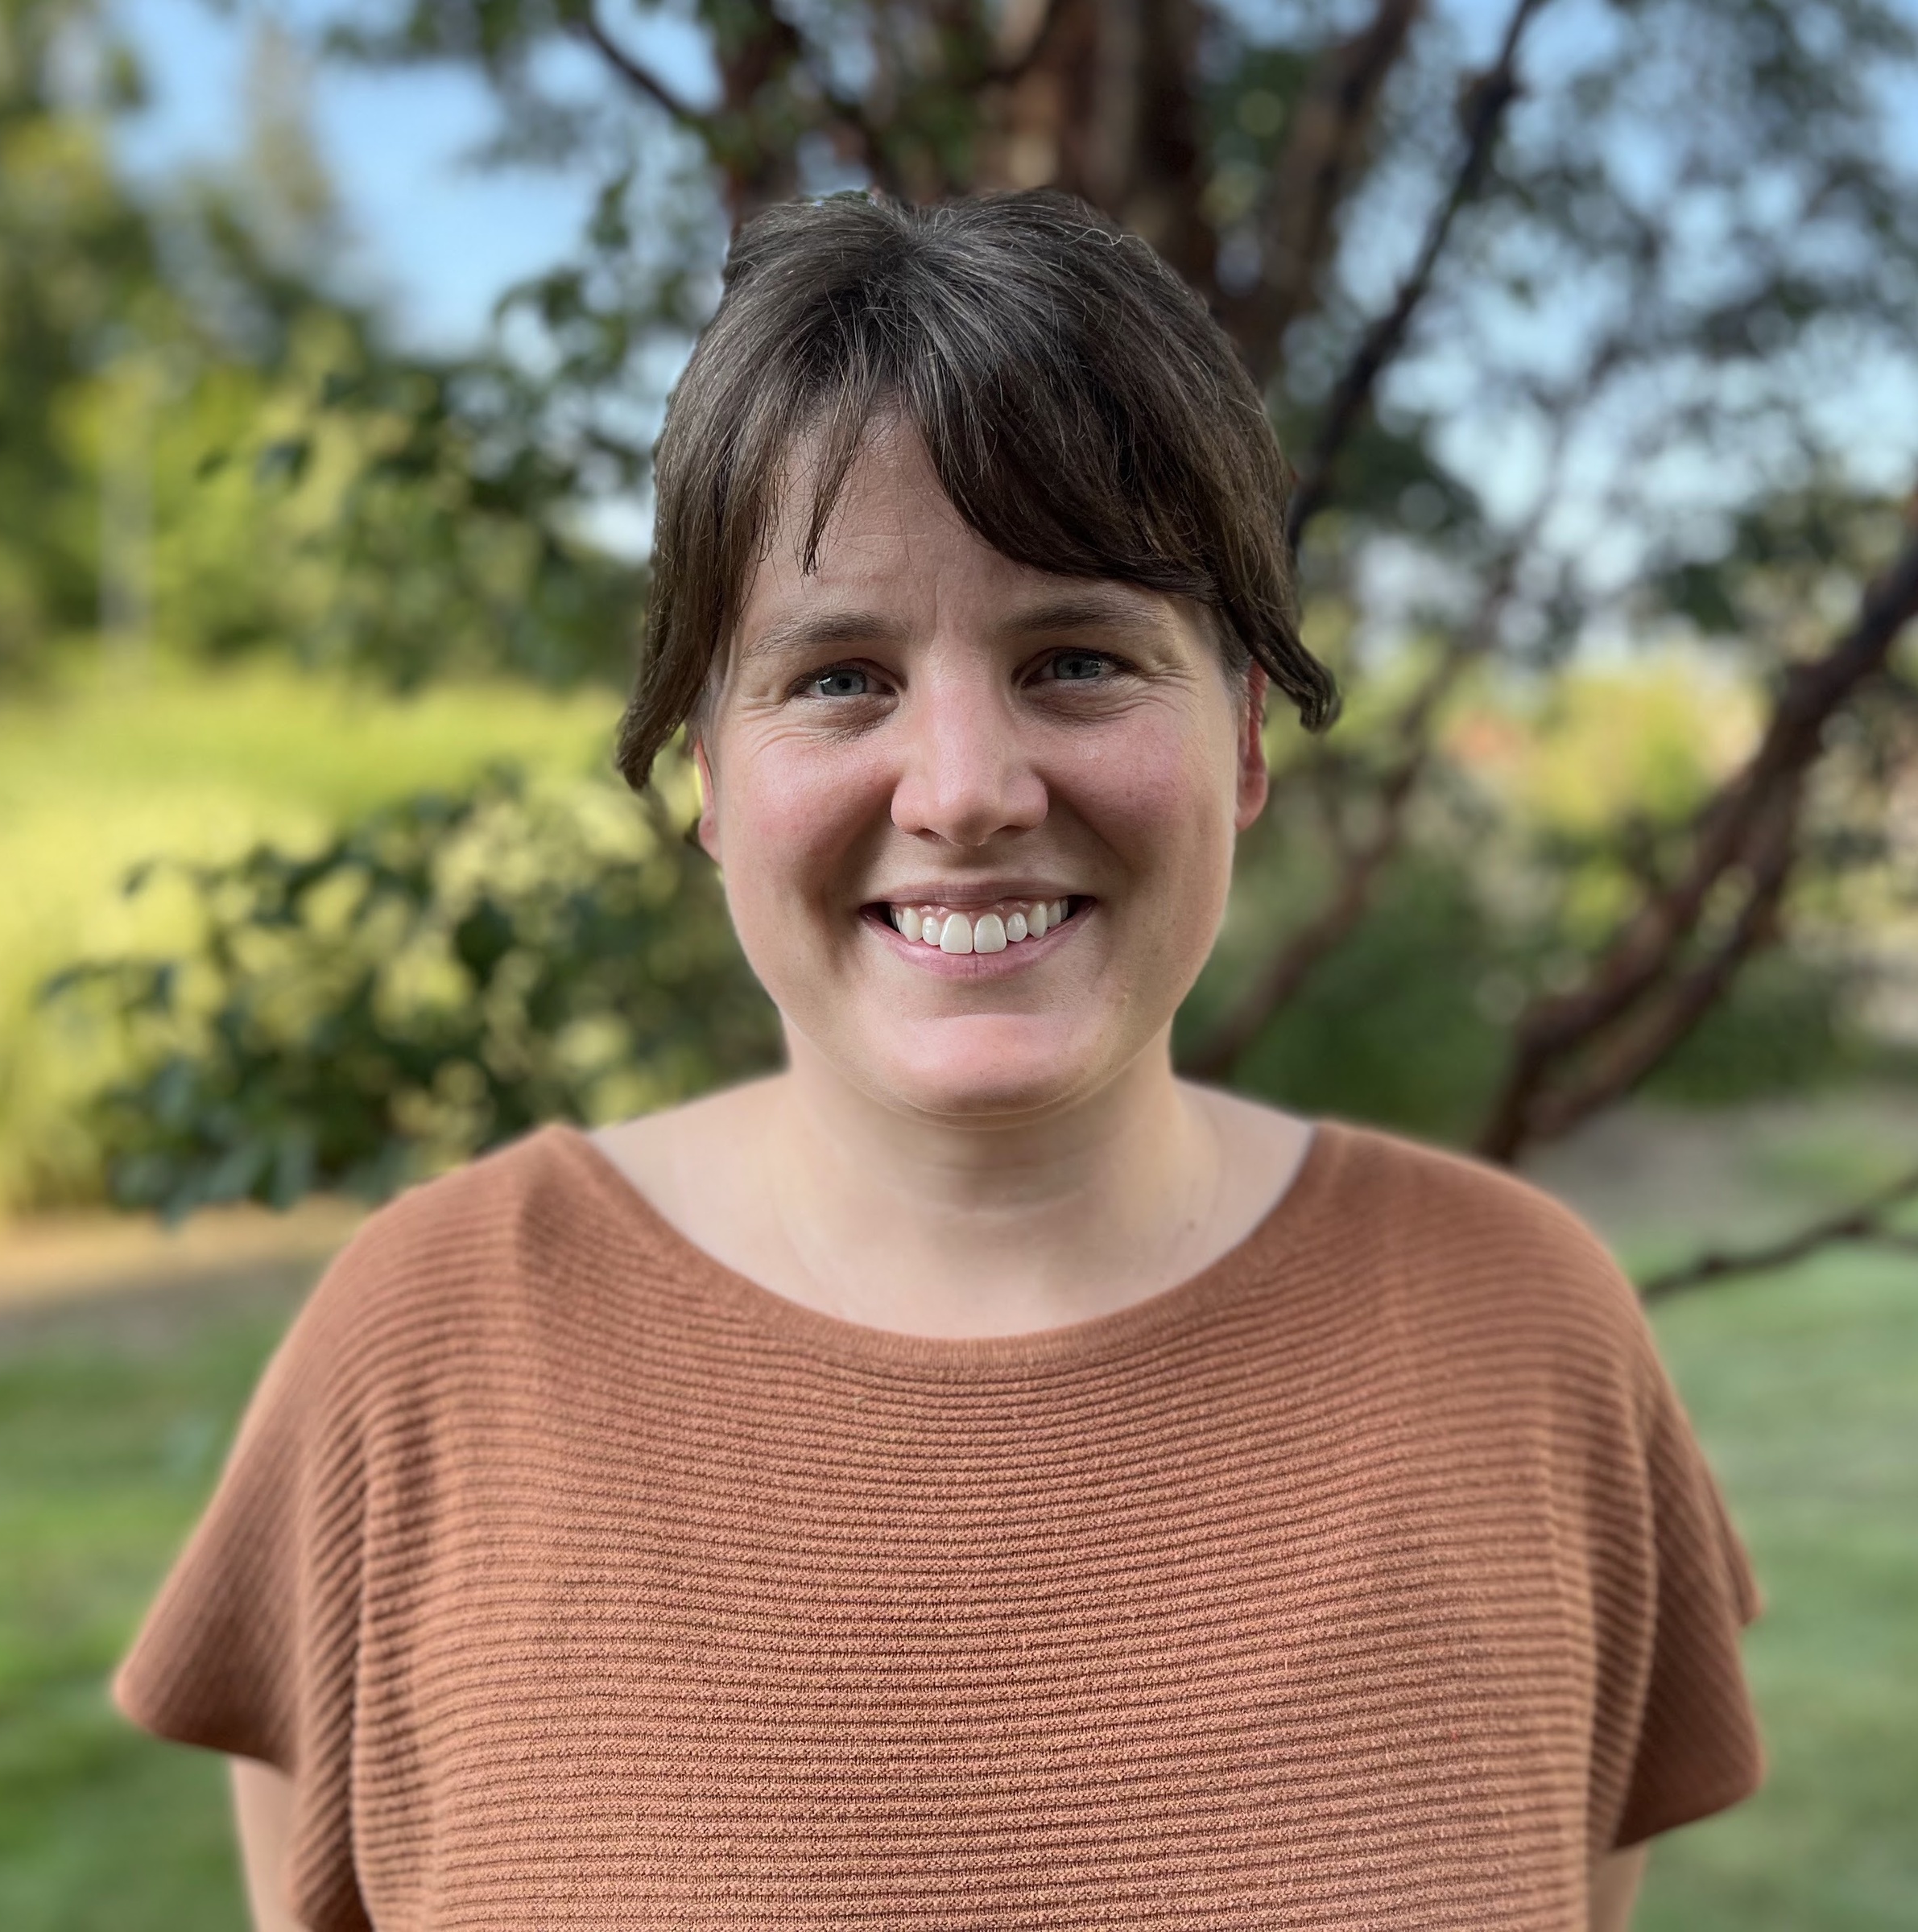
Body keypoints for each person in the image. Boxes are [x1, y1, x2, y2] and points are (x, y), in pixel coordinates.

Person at [112, 189, 1765, 1932]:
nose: (966, 790)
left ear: (1242, 739)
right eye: (838, 678)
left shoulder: (1528, 1335)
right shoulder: (425, 1353)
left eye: (1077, 658)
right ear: (708, 774)